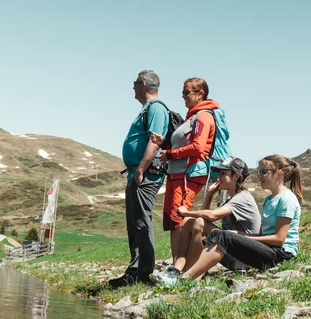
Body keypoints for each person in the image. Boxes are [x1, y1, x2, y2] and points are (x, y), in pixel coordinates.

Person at [162, 154, 303, 286]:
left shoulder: (286, 199)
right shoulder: (268, 200)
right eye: (259, 171)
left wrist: (240, 238)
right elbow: (261, 235)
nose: (259, 175)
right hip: (268, 251)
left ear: (279, 173)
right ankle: (185, 275)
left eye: (264, 171)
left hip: (281, 255)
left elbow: (279, 239)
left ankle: (185, 280)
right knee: (220, 234)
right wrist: (237, 236)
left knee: (223, 236)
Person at [107, 70, 169, 288]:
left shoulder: (157, 108)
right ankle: (134, 269)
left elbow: (155, 141)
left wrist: (142, 169)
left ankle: (143, 271)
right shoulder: (146, 109)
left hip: (146, 173)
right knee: (134, 223)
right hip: (136, 173)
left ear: (143, 84)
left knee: (142, 222)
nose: (133, 88)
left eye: (135, 84)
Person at [159, 157, 259, 282]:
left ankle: (189, 278)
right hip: (231, 250)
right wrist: (210, 194)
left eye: (223, 174)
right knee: (189, 222)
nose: (219, 177)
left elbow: (211, 216)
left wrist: (186, 212)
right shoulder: (232, 199)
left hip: (243, 259)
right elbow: (205, 218)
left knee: (198, 223)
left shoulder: (243, 198)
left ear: (236, 177)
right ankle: (178, 270)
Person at [160, 78, 219, 271]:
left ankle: (181, 269)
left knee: (179, 219)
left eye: (187, 92)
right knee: (172, 220)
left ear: (200, 94)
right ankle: (176, 266)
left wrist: (170, 154)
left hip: (188, 174)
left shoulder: (203, 116)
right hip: (178, 173)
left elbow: (198, 147)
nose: (183, 96)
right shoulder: (192, 116)